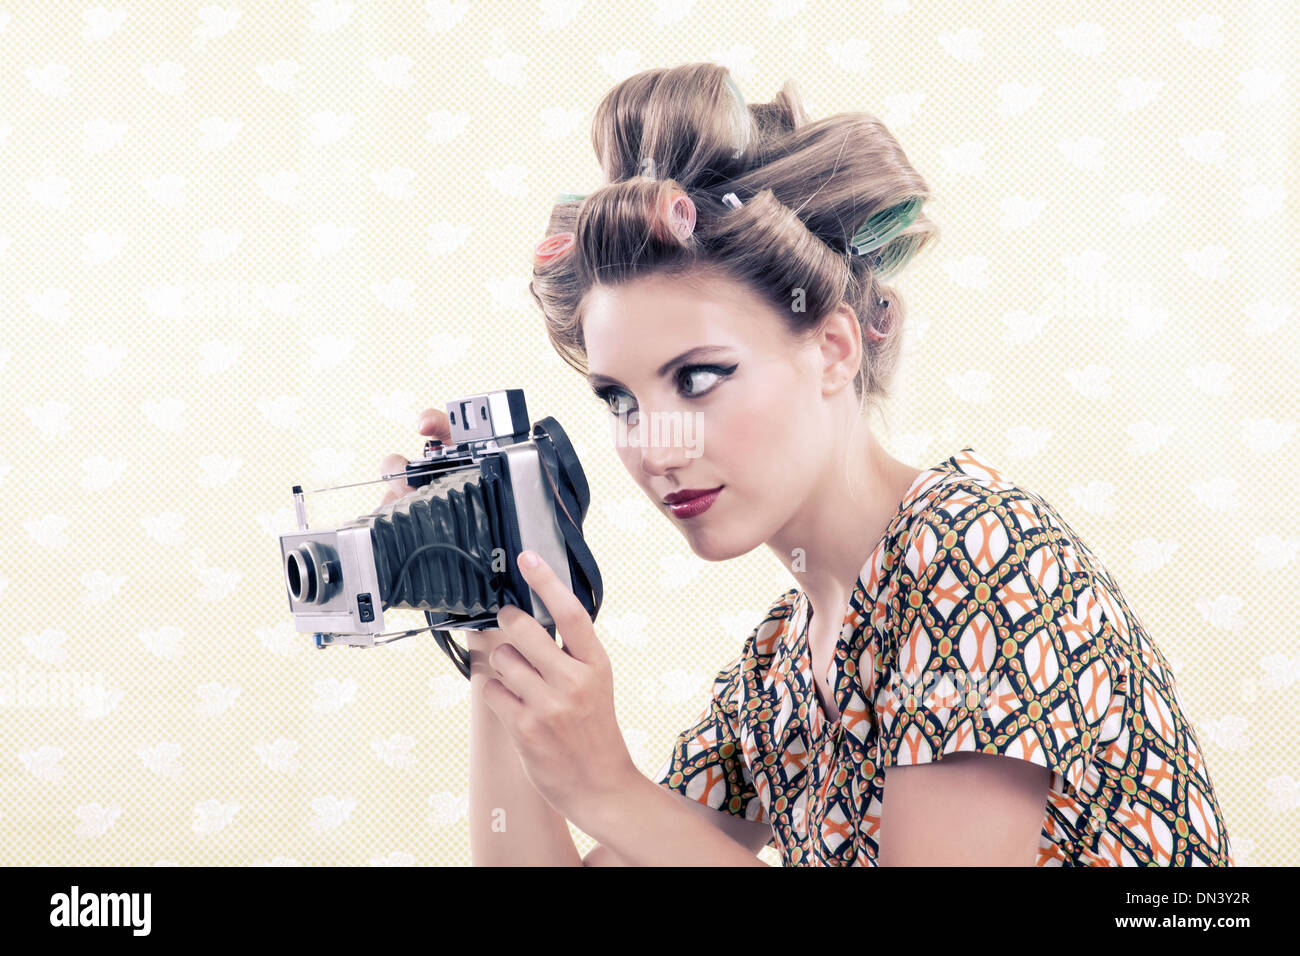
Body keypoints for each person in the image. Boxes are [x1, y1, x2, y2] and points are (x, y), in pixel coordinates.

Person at [381, 62, 1233, 866]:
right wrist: (492, 617)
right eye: (620, 400)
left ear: (832, 347)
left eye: (699, 377)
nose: (651, 444)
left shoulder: (984, 552)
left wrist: (609, 789)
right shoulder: (779, 670)